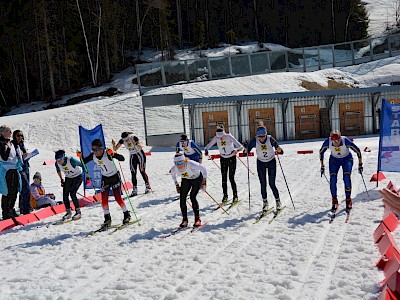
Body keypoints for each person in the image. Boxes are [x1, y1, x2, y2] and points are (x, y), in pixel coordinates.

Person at [78, 139, 130, 228]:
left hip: (115, 176)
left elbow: (122, 158)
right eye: (93, 150)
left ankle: (126, 214)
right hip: (105, 178)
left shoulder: (107, 154)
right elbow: (84, 162)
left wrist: (113, 154)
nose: (95, 152)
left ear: (102, 149)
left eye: (97, 149)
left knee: (117, 197)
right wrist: (80, 156)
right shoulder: (93, 156)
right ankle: (107, 219)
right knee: (104, 199)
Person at [319, 130, 363, 213]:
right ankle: (334, 200)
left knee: (346, 177)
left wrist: (360, 164)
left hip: (346, 159)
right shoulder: (327, 142)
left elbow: (357, 150)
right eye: (334, 141)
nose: (336, 143)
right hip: (334, 160)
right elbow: (321, 152)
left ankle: (348, 199)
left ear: (340, 138)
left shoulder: (345, 140)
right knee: (333, 179)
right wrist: (322, 165)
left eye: (337, 140)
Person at [245, 125, 283, 212]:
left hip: (271, 162)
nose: (261, 138)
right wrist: (246, 149)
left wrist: (279, 149)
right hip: (260, 163)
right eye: (259, 136)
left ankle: (278, 201)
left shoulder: (270, 139)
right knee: (263, 184)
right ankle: (265, 203)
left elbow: (279, 149)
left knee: (272, 184)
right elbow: (247, 151)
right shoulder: (255, 140)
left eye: (263, 136)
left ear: (266, 134)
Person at [204, 125, 243, 205]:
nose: (220, 138)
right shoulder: (216, 138)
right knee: (224, 178)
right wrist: (206, 150)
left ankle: (235, 196)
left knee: (231, 178)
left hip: (231, 158)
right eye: (219, 137)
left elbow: (240, 146)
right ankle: (225, 196)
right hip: (223, 158)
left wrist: (236, 150)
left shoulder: (229, 136)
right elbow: (208, 145)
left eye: (221, 137)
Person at [170, 153, 207, 228]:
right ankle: (185, 220)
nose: (178, 165)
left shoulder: (192, 164)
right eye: (176, 163)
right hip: (186, 180)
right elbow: (173, 176)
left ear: (185, 161)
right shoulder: (174, 168)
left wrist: (204, 183)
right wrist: (177, 185)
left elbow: (204, 169)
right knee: (182, 198)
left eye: (180, 162)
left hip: (197, 179)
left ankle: (197, 219)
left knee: (192, 197)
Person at [112, 132, 151, 197]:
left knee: (142, 170)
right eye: (124, 140)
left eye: (127, 139)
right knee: (133, 172)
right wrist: (113, 144)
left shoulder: (133, 137)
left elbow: (141, 147)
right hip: (132, 156)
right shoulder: (122, 140)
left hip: (139, 154)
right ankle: (135, 189)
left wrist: (135, 143)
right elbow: (115, 149)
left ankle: (147, 186)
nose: (126, 141)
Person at [0, 125, 22, 220]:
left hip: (14, 168)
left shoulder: (10, 142)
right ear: (3, 133)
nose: (10, 133)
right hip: (6, 170)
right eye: (9, 131)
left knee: (15, 189)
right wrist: (8, 148)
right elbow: (4, 157)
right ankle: (6, 212)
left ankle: (11, 209)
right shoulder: (1, 143)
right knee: (7, 191)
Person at [55, 150, 83, 221]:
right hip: (68, 178)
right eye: (57, 159)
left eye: (60, 159)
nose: (59, 161)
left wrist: (87, 175)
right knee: (65, 195)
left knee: (72, 193)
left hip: (77, 176)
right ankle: (68, 212)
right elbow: (58, 170)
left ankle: (78, 211)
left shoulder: (71, 160)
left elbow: (82, 164)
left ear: (63, 157)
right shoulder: (57, 163)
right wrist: (61, 179)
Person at [12, 130, 31, 215]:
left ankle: (24, 207)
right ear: (14, 136)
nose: (20, 137)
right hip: (19, 168)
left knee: (26, 188)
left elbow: (24, 155)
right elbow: (12, 157)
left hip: (25, 166)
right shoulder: (13, 145)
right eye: (18, 136)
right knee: (25, 187)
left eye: (21, 136)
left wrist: (28, 155)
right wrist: (21, 157)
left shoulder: (22, 144)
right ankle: (25, 209)